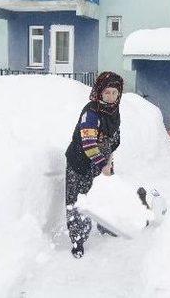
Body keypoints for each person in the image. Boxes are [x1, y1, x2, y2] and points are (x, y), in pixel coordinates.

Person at [64, 71, 123, 258]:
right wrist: (103, 165)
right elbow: (88, 143)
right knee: (78, 201)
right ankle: (77, 240)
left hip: (102, 159)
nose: (111, 97)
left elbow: (113, 137)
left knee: (104, 195)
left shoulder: (113, 110)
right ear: (99, 92)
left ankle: (104, 225)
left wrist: (109, 159)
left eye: (115, 92)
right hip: (80, 161)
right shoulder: (91, 112)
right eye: (107, 92)